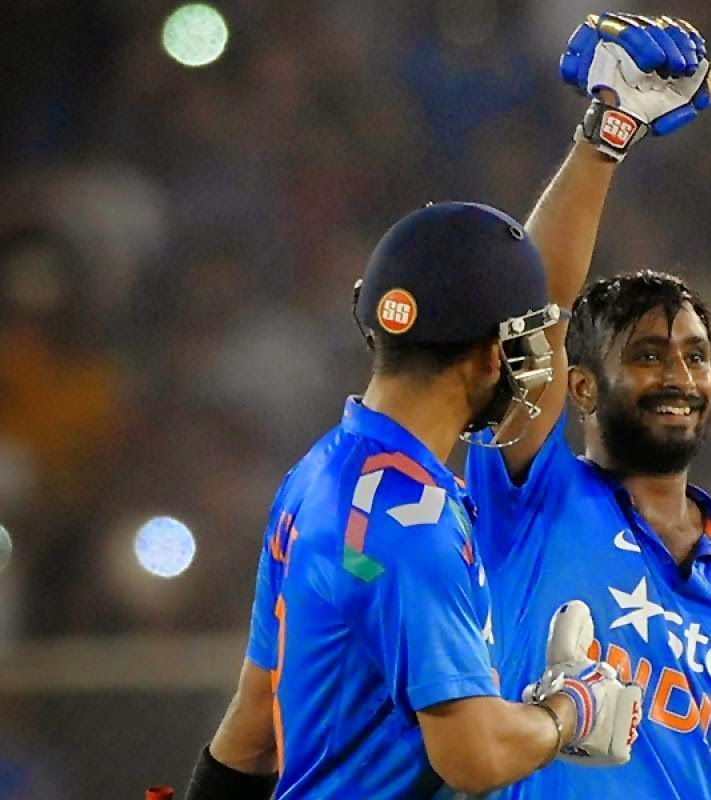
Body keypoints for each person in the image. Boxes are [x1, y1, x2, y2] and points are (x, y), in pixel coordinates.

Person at [464, 13, 711, 799]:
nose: (680, 375)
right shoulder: (532, 496)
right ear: (583, 385)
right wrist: (608, 133)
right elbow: (533, 316)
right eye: (647, 355)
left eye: (696, 355)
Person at [184, 202, 642, 799]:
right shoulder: (415, 524)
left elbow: (253, 724)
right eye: (526, 344)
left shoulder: (319, 470)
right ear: (488, 355)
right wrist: (570, 710)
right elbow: (472, 756)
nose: (533, 366)